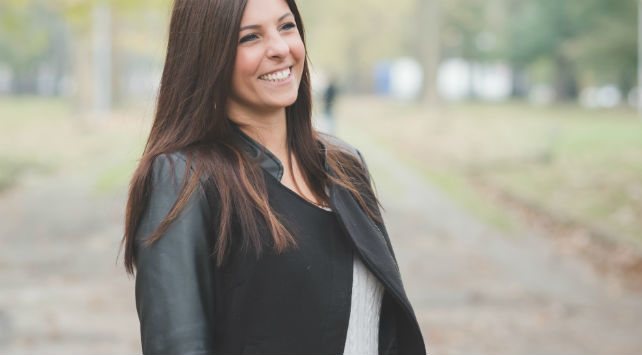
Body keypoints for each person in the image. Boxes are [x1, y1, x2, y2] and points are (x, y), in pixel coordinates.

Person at [120, 0, 426, 354]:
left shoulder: (345, 167)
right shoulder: (184, 180)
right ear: (207, 55)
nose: (280, 49)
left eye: (286, 26)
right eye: (250, 38)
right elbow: (177, 345)